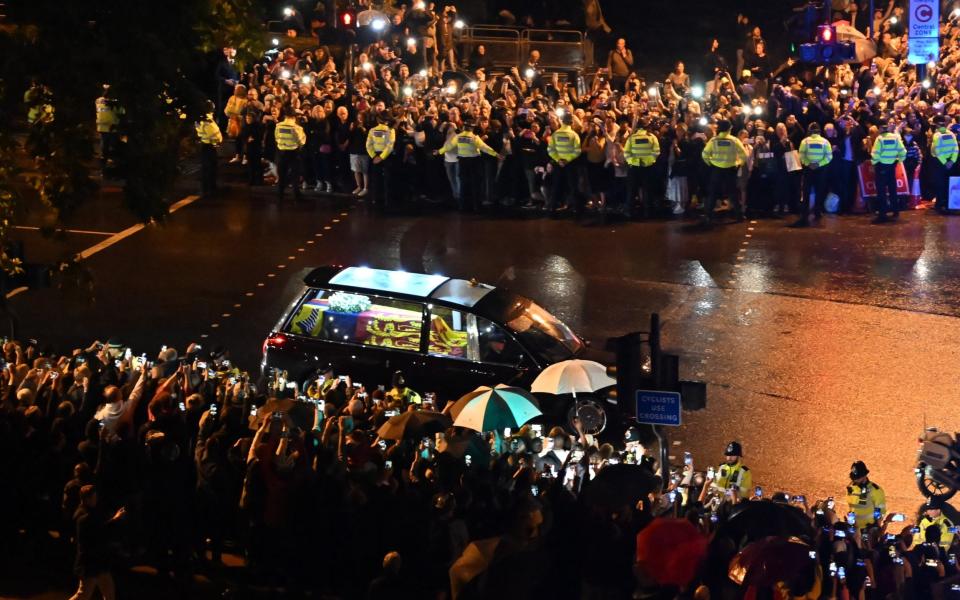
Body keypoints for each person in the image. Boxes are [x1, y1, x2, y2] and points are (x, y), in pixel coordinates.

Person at [68, 485, 125, 600]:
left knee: (109, 593)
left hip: (98, 562)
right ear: (88, 498)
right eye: (94, 497)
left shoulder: (85, 512)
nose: (96, 499)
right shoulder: (84, 516)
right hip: (91, 564)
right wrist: (115, 519)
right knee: (83, 595)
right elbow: (99, 533)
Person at [437, 120, 500, 211]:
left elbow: (449, 146)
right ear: (472, 128)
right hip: (474, 162)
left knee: (463, 184)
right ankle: (476, 206)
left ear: (464, 127)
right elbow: (485, 148)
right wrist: (496, 154)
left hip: (462, 162)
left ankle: (463, 205)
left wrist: (439, 151)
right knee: (475, 184)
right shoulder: (474, 138)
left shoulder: (458, 137)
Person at [701, 119, 749, 224]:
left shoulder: (713, 141)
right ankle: (739, 216)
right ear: (729, 128)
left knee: (713, 193)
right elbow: (744, 155)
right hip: (730, 170)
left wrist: (711, 163)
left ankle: (708, 215)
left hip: (716, 169)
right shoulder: (734, 140)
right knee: (733, 194)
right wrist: (739, 163)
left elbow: (704, 154)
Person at [793, 122, 832, 227]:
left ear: (809, 131)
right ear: (819, 131)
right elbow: (829, 157)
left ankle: (805, 214)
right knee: (819, 191)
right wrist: (819, 164)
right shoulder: (825, 142)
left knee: (806, 192)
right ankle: (817, 212)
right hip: (820, 170)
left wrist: (808, 163)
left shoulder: (805, 141)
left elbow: (801, 155)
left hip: (808, 170)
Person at [546, 113, 583, 217]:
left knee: (556, 186)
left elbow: (550, 150)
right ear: (571, 122)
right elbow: (577, 151)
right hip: (570, 165)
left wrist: (558, 160)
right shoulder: (574, 135)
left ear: (562, 121)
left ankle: (552, 208)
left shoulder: (556, 134)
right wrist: (567, 160)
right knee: (573, 187)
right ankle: (577, 209)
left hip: (558, 165)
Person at [870, 118, 906, 223]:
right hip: (892, 166)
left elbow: (875, 154)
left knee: (881, 191)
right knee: (892, 189)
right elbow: (903, 151)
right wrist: (898, 161)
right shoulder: (895, 137)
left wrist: (875, 163)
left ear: (880, 128)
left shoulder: (880, 139)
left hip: (881, 167)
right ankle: (895, 211)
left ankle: (883, 214)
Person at [623, 119, 661, 219]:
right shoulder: (652, 137)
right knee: (647, 191)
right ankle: (648, 212)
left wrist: (634, 161)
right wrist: (648, 161)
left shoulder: (631, 138)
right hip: (647, 168)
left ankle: (629, 212)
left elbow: (626, 153)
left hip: (634, 168)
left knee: (631, 191)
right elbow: (656, 152)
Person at [275, 106, 307, 201]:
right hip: (293, 152)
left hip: (281, 152)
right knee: (295, 174)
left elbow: (276, 138)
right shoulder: (296, 127)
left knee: (282, 174)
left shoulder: (279, 126)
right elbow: (302, 141)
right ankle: (296, 193)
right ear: (294, 117)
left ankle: (280, 192)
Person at [844, 460, 885, 532]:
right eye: (854, 478)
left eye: (857, 478)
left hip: (868, 530)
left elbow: (881, 512)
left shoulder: (876, 490)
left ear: (864, 476)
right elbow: (851, 506)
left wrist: (875, 527)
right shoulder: (851, 488)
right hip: (853, 528)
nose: (855, 480)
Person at [366, 115, 396, 208]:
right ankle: (388, 200)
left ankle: (376, 198)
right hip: (387, 156)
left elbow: (368, 145)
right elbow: (390, 146)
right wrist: (382, 157)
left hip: (375, 156)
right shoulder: (391, 130)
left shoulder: (372, 130)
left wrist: (374, 156)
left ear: (378, 120)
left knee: (376, 178)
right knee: (388, 179)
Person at [930, 115, 958, 214]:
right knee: (947, 184)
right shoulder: (951, 134)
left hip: (940, 162)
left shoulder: (937, 135)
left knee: (940, 184)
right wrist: (952, 161)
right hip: (951, 162)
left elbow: (937, 150)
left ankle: (939, 205)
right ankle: (947, 204)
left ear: (937, 125)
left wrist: (945, 162)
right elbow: (956, 148)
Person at [195, 100, 223, 198]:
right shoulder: (208, 121)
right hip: (210, 147)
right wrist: (218, 141)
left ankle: (205, 188)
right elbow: (216, 135)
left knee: (205, 168)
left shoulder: (198, 119)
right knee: (211, 169)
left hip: (203, 146)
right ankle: (210, 189)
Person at [94, 85, 120, 170]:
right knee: (112, 147)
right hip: (112, 127)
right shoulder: (115, 101)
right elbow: (121, 111)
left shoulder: (98, 100)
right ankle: (111, 164)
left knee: (104, 147)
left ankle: (103, 164)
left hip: (102, 127)